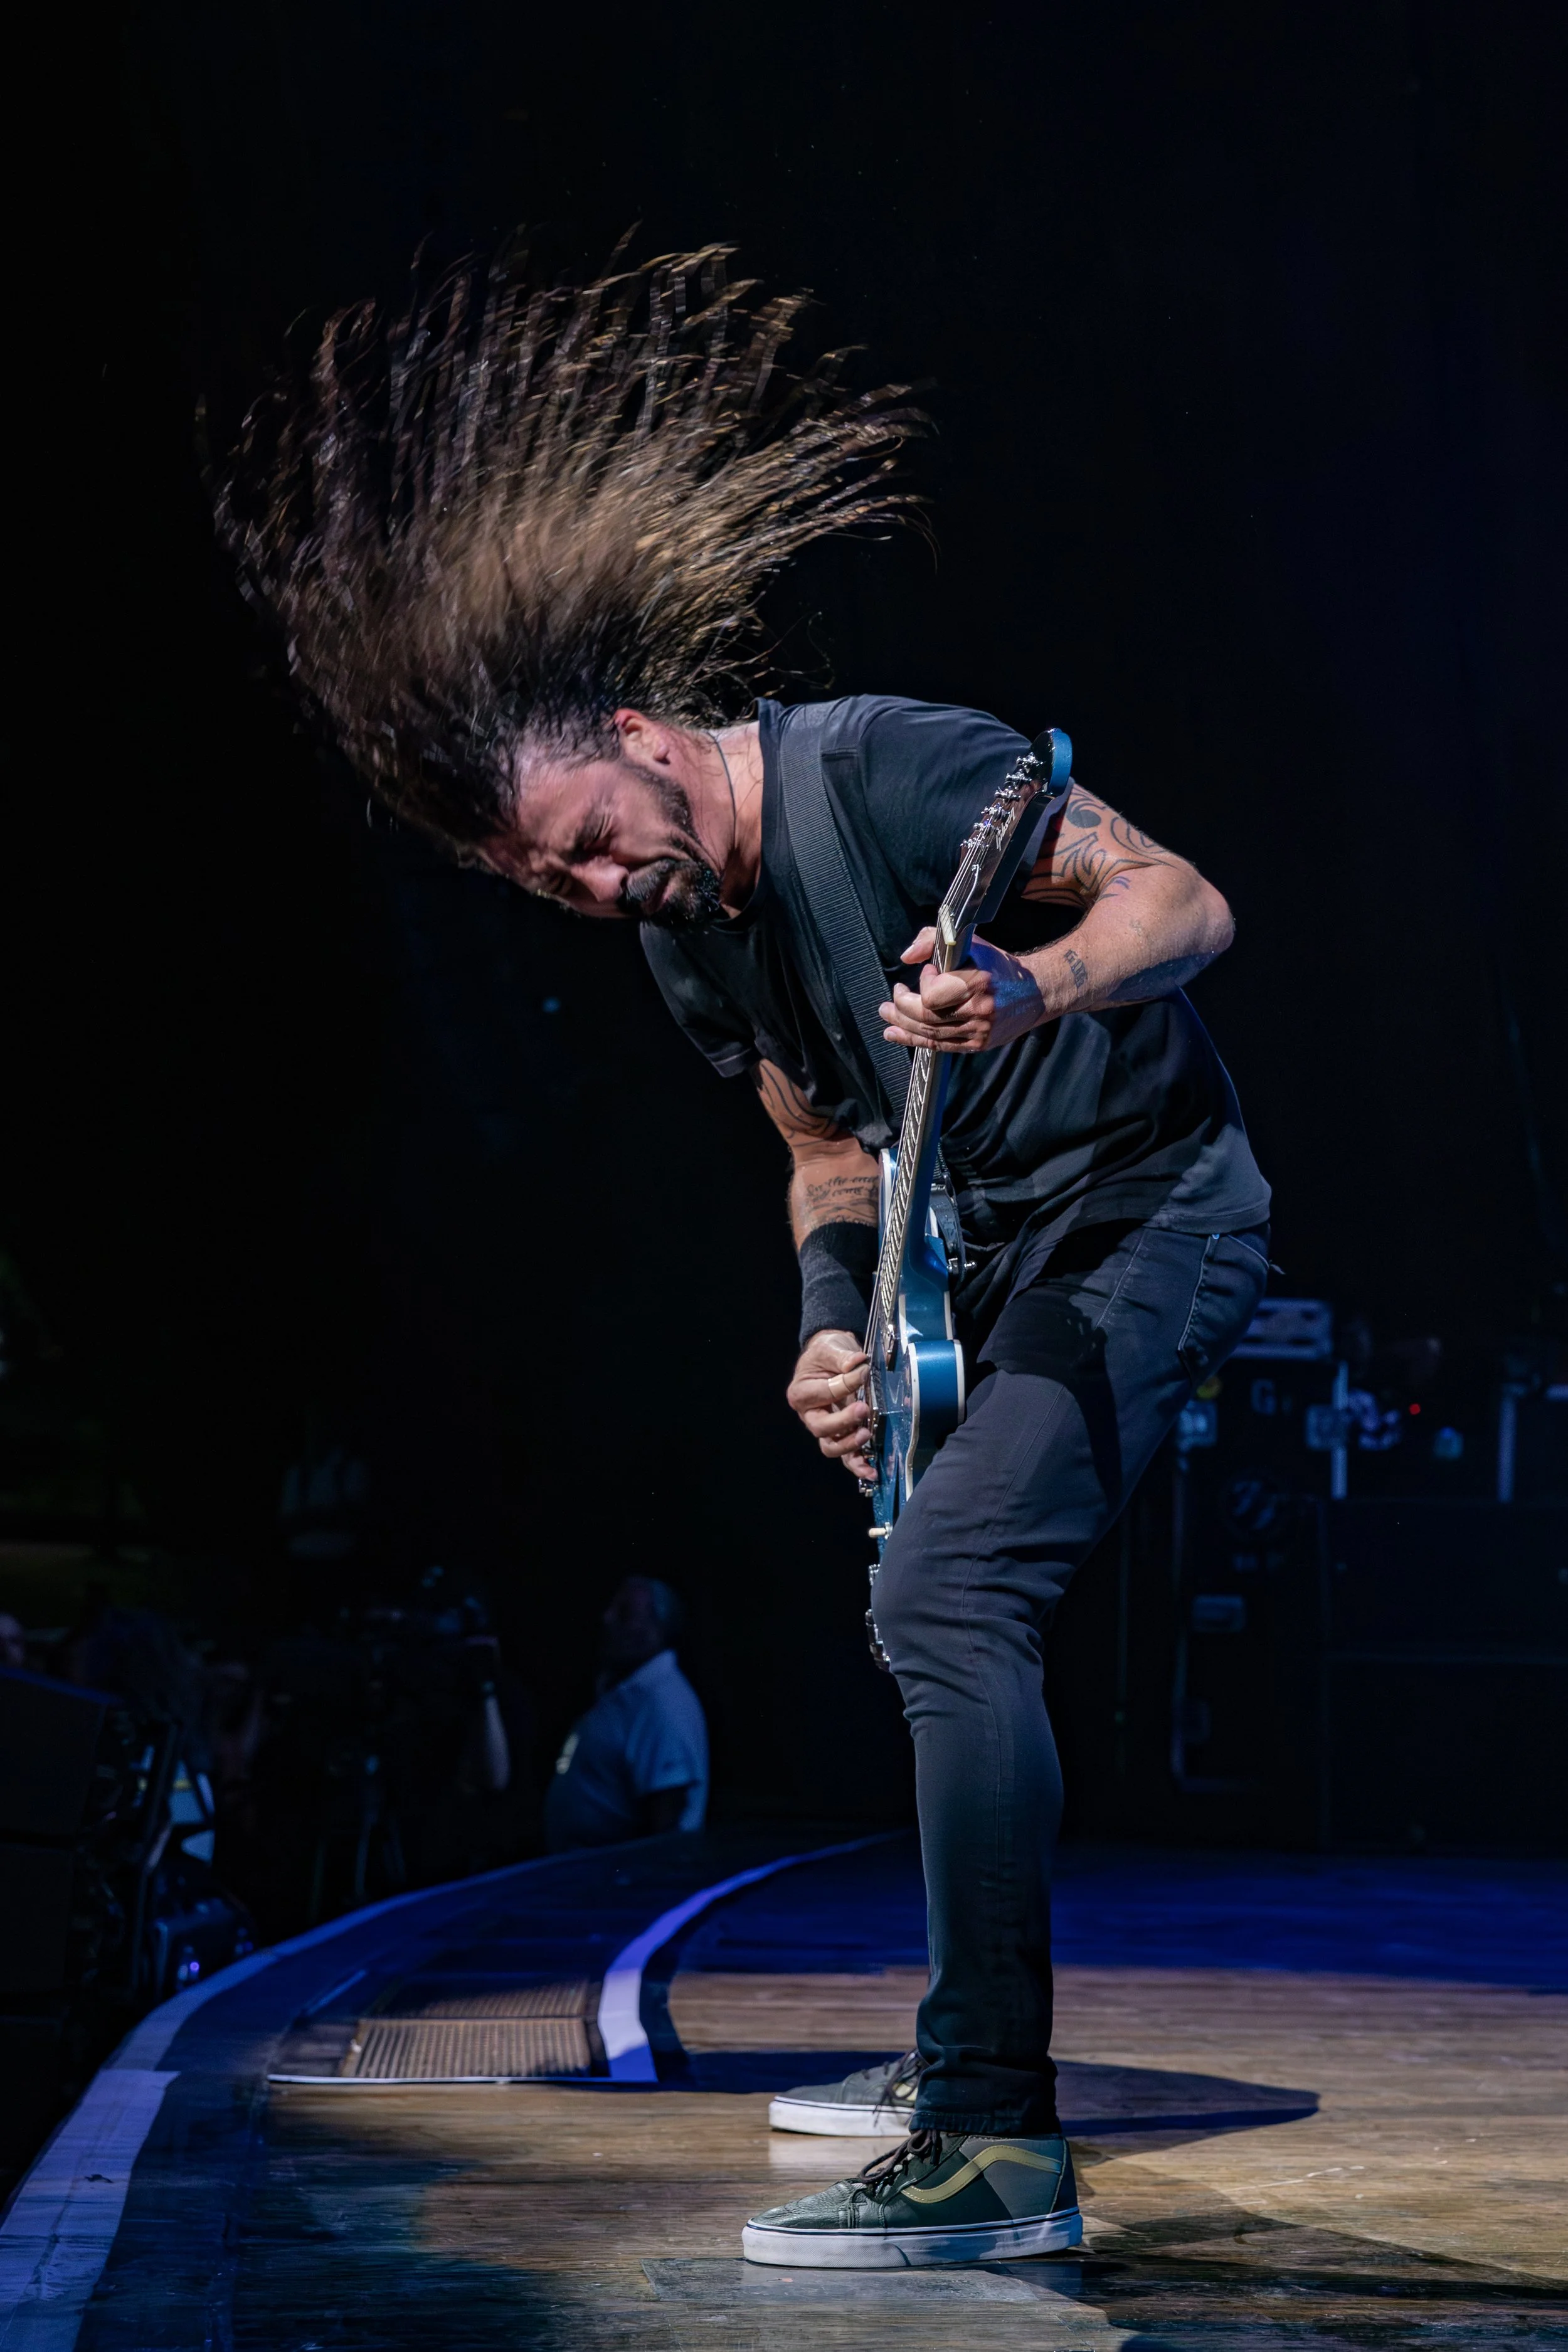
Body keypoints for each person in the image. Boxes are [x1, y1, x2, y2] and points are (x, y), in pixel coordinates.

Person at [220, 246, 1270, 2269]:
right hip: (979, 1267)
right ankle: (965, 2044)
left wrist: (1028, 981)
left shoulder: (885, 768)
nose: (596, 890)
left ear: (634, 726)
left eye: (590, 840)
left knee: (955, 1594)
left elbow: (1184, 897)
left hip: (1149, 1213)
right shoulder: (686, 936)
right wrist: (829, 1325)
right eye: (548, 888)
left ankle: (993, 2143)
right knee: (922, 1612)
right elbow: (816, 1139)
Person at [544, 1578, 708, 1851]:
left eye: (624, 1613)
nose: (606, 1618)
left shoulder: (662, 1702)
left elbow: (668, 1821)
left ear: (657, 1629)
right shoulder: (627, 1691)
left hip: (616, 1885)